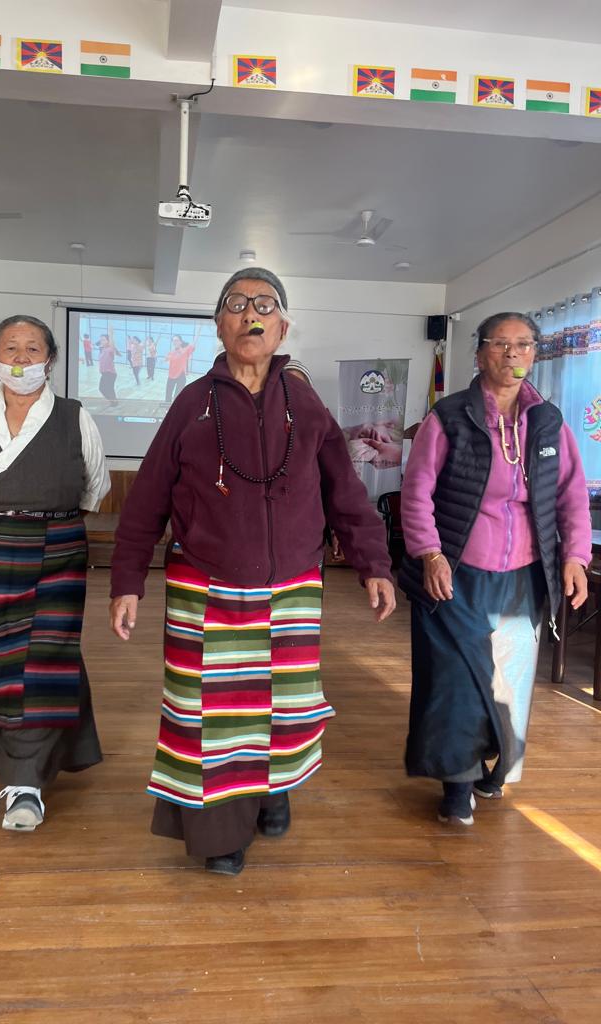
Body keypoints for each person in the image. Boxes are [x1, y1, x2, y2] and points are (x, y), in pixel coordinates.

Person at [109, 268, 395, 875]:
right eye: (236, 304)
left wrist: (373, 561)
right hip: (203, 586)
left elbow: (345, 488)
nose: (250, 314)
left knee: (281, 709)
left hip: (290, 585)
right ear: (219, 325)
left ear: (283, 326)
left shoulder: (307, 403)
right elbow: (148, 499)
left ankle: (274, 790)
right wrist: (127, 582)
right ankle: (220, 836)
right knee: (209, 716)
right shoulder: (192, 402)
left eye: (264, 304)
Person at [399, 312, 591, 825]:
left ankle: (496, 768)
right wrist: (430, 553)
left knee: (509, 679)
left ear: (534, 353)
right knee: (458, 680)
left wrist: (575, 556)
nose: (512, 354)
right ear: (480, 352)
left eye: (523, 345)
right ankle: (457, 784)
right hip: (457, 572)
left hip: (524, 575)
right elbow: (416, 493)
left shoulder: (549, 421)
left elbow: (571, 496)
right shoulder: (450, 416)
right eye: (500, 344)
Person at [0, 314, 110, 832]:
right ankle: (64, 747)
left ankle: (25, 783)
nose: (20, 358)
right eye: (10, 348)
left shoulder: (75, 416)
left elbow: (95, 487)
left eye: (32, 349)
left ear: (50, 360)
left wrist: (46, 517)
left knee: (46, 658)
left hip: (58, 542)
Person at [164, 334, 196, 403]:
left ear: (181, 342)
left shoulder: (185, 350)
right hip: (171, 376)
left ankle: (175, 410)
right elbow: (166, 360)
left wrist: (198, 330)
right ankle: (167, 410)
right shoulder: (171, 353)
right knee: (168, 395)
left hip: (181, 376)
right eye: (173, 341)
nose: (174, 342)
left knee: (177, 396)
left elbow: (193, 345)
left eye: (176, 340)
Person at [98, 333, 121, 407]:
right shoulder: (103, 349)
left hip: (110, 373)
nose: (101, 341)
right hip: (104, 373)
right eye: (101, 340)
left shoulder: (110, 349)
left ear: (108, 341)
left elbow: (116, 351)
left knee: (107, 389)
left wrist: (111, 336)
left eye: (103, 340)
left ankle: (114, 402)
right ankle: (113, 401)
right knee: (103, 389)